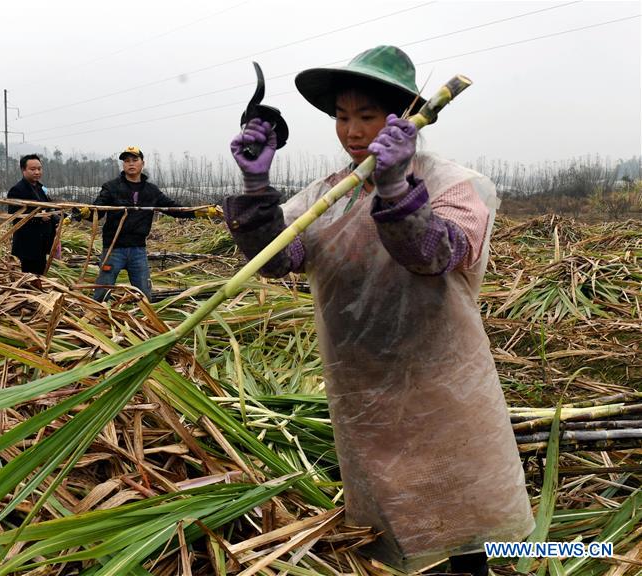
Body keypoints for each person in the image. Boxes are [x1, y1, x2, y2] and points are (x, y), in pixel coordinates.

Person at [223, 46, 533, 575]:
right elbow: (279, 259)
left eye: (367, 116)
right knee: (396, 523)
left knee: (466, 525)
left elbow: (435, 253)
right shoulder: (330, 195)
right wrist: (256, 188)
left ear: (405, 119)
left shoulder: (455, 185)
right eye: (342, 117)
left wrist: (394, 187)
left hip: (442, 386)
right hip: (363, 387)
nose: (352, 131)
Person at [83, 146, 214, 301]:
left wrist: (198, 212)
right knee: (102, 292)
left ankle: (143, 321)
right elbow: (98, 211)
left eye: (134, 160)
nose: (130, 163)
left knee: (144, 295)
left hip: (138, 250)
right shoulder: (111, 187)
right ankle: (99, 317)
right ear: (123, 165)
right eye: (126, 161)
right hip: (113, 249)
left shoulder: (151, 191)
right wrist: (87, 213)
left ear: (142, 163)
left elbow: (173, 208)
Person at [7, 154, 59, 274]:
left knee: (40, 275)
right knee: (29, 278)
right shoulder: (17, 190)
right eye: (33, 169)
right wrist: (39, 217)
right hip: (28, 245)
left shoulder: (40, 189)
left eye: (39, 169)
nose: (37, 172)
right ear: (23, 170)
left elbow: (49, 209)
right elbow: (14, 215)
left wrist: (58, 217)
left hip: (42, 244)